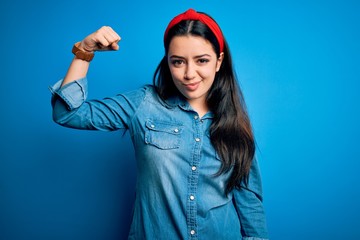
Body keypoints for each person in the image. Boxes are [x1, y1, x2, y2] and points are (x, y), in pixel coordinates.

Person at [50, 8, 269, 240]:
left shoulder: (235, 123)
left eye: (202, 60)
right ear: (168, 61)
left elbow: (249, 204)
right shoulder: (144, 104)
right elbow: (66, 114)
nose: (189, 73)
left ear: (218, 61)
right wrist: (84, 51)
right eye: (178, 62)